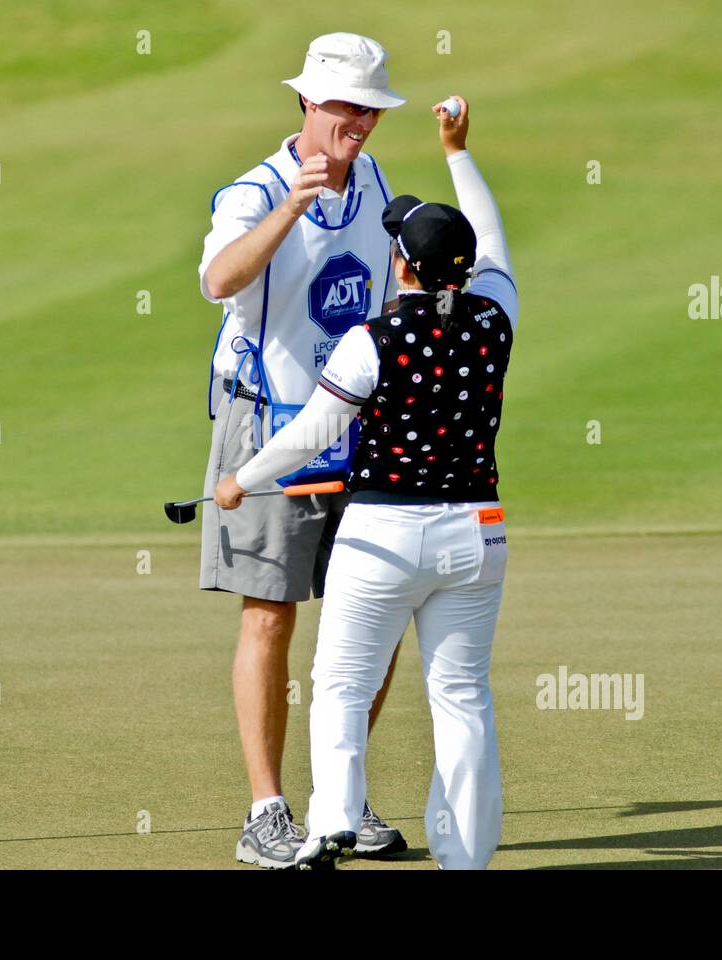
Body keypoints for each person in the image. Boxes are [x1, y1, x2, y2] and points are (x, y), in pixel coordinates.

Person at [215, 94, 518, 870]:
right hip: (478, 537)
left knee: (339, 687)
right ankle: (468, 858)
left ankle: (329, 826)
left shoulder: (372, 340)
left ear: (404, 265)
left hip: (381, 533)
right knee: (463, 701)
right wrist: (458, 151)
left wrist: (239, 480)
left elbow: (312, 432)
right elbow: (492, 236)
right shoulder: (496, 314)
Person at [197, 32, 410, 868]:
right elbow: (219, 280)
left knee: (377, 613)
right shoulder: (255, 190)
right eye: (345, 105)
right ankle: (266, 811)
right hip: (268, 423)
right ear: (307, 103)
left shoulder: (376, 180)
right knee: (271, 613)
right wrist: (292, 205)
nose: (359, 120)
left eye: (370, 108)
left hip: (358, 422)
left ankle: (339, 800)